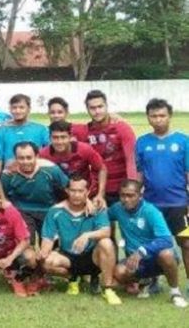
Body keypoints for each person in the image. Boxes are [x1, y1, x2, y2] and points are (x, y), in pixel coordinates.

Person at [38, 176, 121, 305]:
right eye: (73, 190)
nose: (76, 195)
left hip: (92, 257)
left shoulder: (96, 208)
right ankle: (73, 278)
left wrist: (87, 235)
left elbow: (106, 231)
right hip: (69, 257)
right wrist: (43, 253)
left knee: (106, 242)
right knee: (47, 262)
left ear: (87, 192)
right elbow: (47, 239)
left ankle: (108, 289)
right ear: (67, 191)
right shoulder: (55, 211)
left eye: (80, 191)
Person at [135, 98, 189, 286]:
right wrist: (135, 196)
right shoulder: (142, 142)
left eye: (162, 115)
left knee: (186, 243)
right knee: (152, 244)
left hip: (179, 204)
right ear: (148, 118)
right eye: (154, 116)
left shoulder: (183, 141)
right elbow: (140, 174)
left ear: (170, 116)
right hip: (151, 205)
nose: (158, 119)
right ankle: (152, 282)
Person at [109, 180, 187, 307]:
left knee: (166, 254)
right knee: (119, 272)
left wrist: (142, 251)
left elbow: (166, 239)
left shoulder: (151, 211)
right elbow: (102, 215)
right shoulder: (117, 208)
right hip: (135, 261)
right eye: (123, 195)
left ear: (140, 196)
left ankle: (175, 293)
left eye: (131, 195)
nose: (126, 199)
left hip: (155, 257)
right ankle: (145, 281)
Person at [0, 142, 71, 243]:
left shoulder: (51, 170)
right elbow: (2, 194)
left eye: (29, 158)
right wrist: (9, 208)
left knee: (50, 247)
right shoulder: (9, 175)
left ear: (36, 156)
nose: (25, 162)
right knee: (26, 246)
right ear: (15, 158)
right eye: (21, 158)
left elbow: (71, 188)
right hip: (23, 211)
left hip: (48, 209)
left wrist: (86, 202)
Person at [75, 90, 137, 206]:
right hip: (97, 189)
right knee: (101, 223)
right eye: (92, 108)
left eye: (100, 106)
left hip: (121, 187)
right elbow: (59, 127)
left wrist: (132, 186)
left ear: (107, 106)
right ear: (87, 109)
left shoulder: (122, 128)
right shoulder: (84, 131)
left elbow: (131, 159)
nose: (97, 111)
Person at [40, 121, 108, 207]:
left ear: (70, 137)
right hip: (59, 197)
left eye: (63, 137)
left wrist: (100, 195)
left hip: (86, 193)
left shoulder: (84, 149)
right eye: (55, 138)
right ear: (50, 138)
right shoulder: (43, 155)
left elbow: (102, 169)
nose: (59, 141)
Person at [0, 94, 50, 177]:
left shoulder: (40, 129)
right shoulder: (1, 131)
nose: (18, 111)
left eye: (21, 107)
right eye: (14, 107)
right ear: (10, 109)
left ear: (29, 109)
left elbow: (50, 152)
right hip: (11, 176)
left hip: (36, 175)